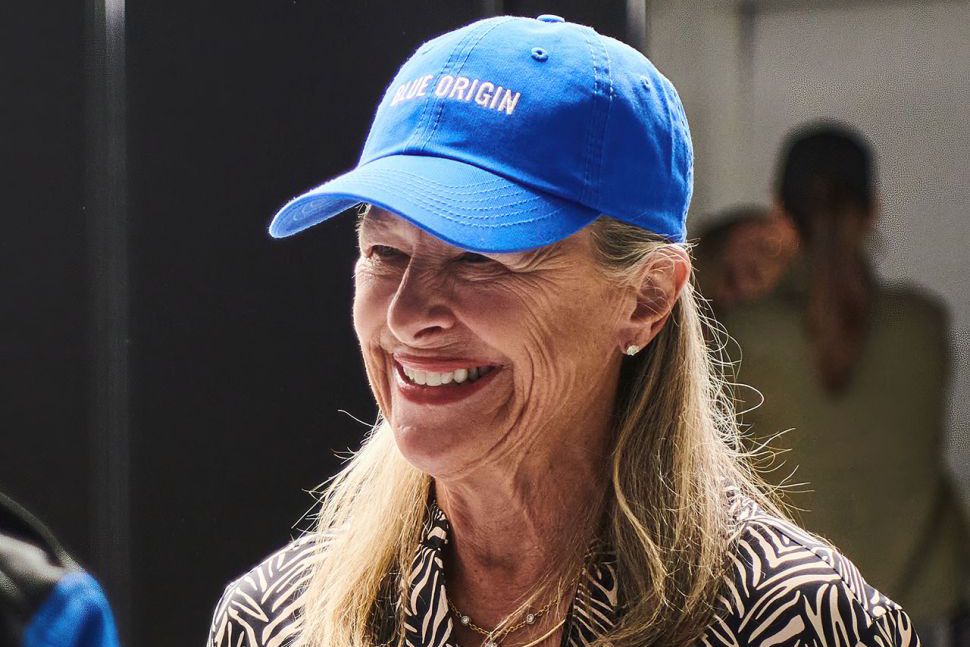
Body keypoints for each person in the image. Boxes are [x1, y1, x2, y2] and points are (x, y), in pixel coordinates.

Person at [208, 17, 921, 647]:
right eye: (384, 253)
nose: (404, 314)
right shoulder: (277, 619)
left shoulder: (794, 621)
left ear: (645, 299)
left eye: (481, 257)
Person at [720, 124, 969, 645]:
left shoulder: (744, 335)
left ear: (780, 214)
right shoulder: (925, 325)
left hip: (795, 611)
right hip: (921, 609)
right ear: (873, 209)